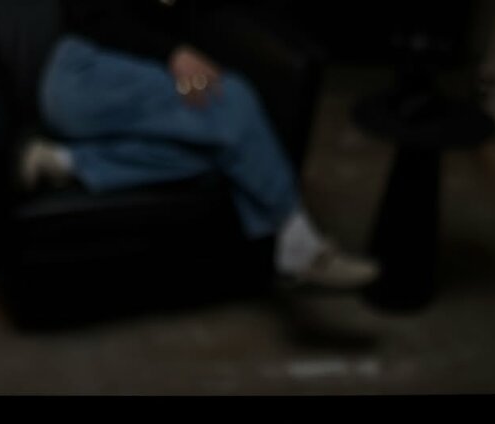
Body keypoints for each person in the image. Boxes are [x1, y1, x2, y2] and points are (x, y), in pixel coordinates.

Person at [21, 0, 379, 290]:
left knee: (216, 150)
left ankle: (65, 162)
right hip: (84, 74)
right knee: (231, 98)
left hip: (135, 79)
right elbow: (96, 19)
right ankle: (298, 239)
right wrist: (174, 54)